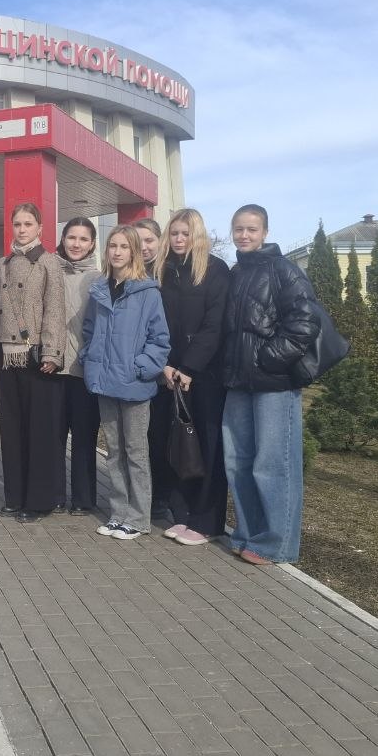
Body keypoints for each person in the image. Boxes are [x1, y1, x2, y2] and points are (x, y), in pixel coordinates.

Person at [221, 204, 319, 565]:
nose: (244, 235)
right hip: (238, 383)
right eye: (238, 229)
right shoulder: (236, 273)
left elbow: (305, 323)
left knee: (273, 464)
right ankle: (248, 534)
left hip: (274, 384)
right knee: (238, 462)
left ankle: (276, 544)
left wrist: (269, 358)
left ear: (264, 232)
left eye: (252, 229)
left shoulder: (284, 270)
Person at [80, 226, 171, 540]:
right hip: (105, 383)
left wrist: (140, 367)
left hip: (134, 385)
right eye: (113, 246)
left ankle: (139, 518)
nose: (117, 252)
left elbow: (160, 340)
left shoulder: (148, 292)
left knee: (136, 452)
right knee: (114, 451)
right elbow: (89, 331)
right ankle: (118, 513)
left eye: (124, 247)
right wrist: (90, 358)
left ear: (134, 251)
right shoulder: (100, 290)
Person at [150, 209, 231, 546]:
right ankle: (182, 514)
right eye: (174, 234)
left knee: (207, 447)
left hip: (205, 375)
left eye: (185, 234)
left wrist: (190, 367)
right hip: (170, 375)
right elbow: (156, 323)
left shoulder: (215, 270)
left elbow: (215, 325)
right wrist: (167, 366)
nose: (179, 239)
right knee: (179, 444)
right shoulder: (163, 270)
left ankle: (207, 521)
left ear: (197, 236)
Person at [0, 203, 66, 522]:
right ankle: (14, 496)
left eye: (28, 224)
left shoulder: (49, 262)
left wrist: (51, 352)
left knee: (39, 431)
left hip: (37, 356)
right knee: (11, 429)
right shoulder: (2, 263)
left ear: (40, 228)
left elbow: (55, 309)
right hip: (6, 356)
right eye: (17, 224)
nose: (22, 229)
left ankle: (39, 501)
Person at [56, 217, 102, 516]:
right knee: (53, 438)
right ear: (63, 239)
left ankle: (84, 499)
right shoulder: (50, 273)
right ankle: (55, 495)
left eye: (83, 239)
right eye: (72, 237)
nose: (76, 244)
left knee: (84, 439)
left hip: (85, 372)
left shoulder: (100, 280)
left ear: (92, 244)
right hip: (52, 370)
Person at [132, 215, 172, 526]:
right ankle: (139, 497)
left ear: (160, 242)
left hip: (165, 373)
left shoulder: (168, 277)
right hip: (135, 372)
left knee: (160, 438)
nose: (144, 247)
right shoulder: (127, 276)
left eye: (149, 240)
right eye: (139, 241)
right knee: (137, 440)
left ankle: (160, 498)